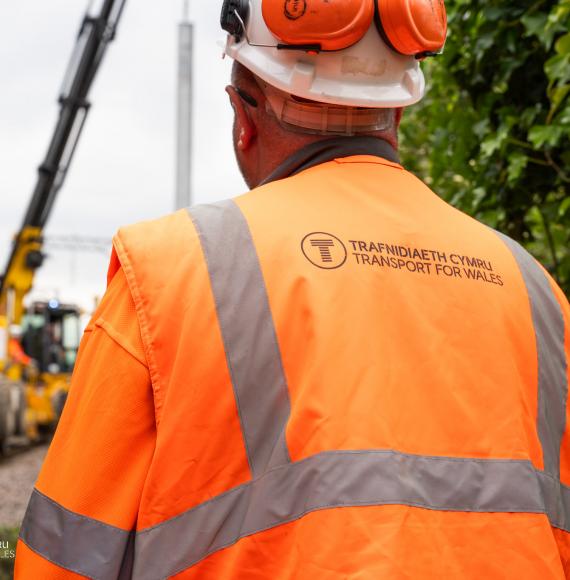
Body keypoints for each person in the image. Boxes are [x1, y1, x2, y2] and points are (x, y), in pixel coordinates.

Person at [15, 1, 570, 578]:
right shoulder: (536, 293)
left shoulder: (164, 273)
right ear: (398, 114)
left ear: (243, 117)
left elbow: (64, 560)